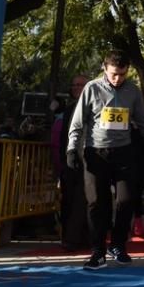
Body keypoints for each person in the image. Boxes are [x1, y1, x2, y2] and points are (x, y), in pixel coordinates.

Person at [66, 51, 144, 270]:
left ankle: (118, 244)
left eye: (123, 74)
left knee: (126, 200)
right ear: (104, 69)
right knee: (97, 203)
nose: (118, 79)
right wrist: (72, 149)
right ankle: (97, 251)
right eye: (114, 74)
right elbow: (78, 123)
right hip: (95, 153)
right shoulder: (92, 88)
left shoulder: (133, 91)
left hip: (124, 152)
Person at [52, 75, 89, 249]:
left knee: (81, 200)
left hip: (87, 160)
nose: (76, 88)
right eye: (74, 85)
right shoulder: (69, 109)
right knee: (69, 199)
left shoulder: (92, 107)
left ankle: (75, 238)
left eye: (80, 85)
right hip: (69, 160)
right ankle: (70, 236)